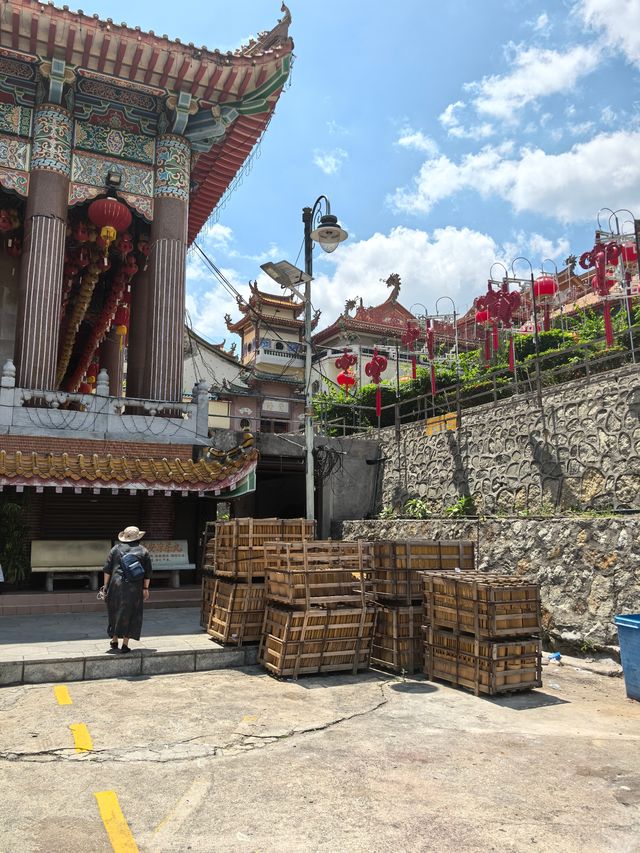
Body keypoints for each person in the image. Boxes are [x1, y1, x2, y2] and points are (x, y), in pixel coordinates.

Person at [102, 526, 153, 653]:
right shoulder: (143, 551)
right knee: (132, 613)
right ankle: (125, 644)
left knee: (114, 612)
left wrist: (105, 587)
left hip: (116, 586)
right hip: (134, 588)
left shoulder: (115, 549)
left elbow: (107, 570)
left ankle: (114, 640)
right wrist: (145, 588)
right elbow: (147, 574)